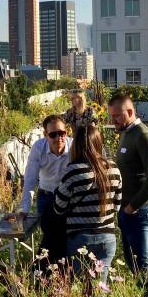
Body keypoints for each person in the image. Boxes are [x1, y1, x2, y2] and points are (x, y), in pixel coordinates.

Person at [109, 93, 148, 297]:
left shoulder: (143, 136)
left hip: (141, 211)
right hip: (128, 210)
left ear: (130, 112)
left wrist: (132, 207)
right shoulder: (127, 134)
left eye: (116, 116)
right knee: (133, 263)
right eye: (111, 116)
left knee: (143, 264)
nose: (113, 121)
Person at [53, 121, 123, 284]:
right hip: (107, 237)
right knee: (100, 289)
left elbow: (58, 208)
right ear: (99, 142)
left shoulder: (73, 171)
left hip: (80, 237)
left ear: (75, 145)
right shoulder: (113, 168)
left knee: (80, 289)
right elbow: (117, 206)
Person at [18, 115, 74, 265]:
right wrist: (24, 208)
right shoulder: (39, 147)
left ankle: (64, 274)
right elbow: (30, 179)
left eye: (61, 133)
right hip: (47, 197)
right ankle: (48, 275)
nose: (58, 138)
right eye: (53, 134)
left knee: (68, 238)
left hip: (69, 199)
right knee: (50, 237)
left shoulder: (74, 147)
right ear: (45, 135)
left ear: (66, 132)